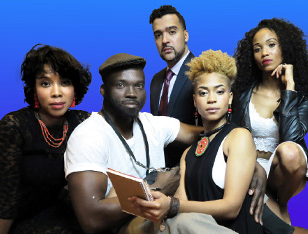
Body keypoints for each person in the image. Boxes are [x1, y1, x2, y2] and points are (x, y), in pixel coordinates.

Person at [64, 53, 203, 234]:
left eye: (138, 85)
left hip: (157, 219)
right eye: (120, 85)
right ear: (103, 90)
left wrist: (248, 153)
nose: (131, 93)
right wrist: (155, 188)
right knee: (187, 223)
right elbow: (92, 218)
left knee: (198, 218)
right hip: (120, 229)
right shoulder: (88, 136)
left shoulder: (152, 124)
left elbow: (208, 134)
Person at [128, 50, 264, 234]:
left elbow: (231, 208)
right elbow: (180, 206)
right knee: (146, 225)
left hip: (237, 230)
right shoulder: (187, 155)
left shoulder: (238, 137)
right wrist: (157, 203)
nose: (212, 99)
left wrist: (172, 205)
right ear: (195, 100)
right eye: (203, 92)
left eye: (220, 91)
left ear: (230, 98)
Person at [0, 44, 92, 234]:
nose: (56, 92)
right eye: (45, 83)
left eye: (65, 82)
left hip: (62, 213)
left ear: (75, 88)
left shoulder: (84, 122)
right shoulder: (14, 126)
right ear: (34, 88)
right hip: (19, 217)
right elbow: (7, 194)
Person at [232, 18, 308, 225]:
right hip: (247, 166)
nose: (264, 52)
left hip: (281, 172)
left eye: (271, 45)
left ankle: (279, 204)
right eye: (257, 49)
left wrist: (289, 89)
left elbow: (291, 139)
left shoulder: (304, 96)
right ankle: (277, 212)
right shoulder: (241, 94)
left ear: (285, 47)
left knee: (290, 151)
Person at [149, 5, 199, 167]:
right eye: (158, 35)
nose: (165, 40)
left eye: (171, 32)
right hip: (160, 170)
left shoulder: (203, 72)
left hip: (194, 169)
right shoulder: (156, 80)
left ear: (185, 35)